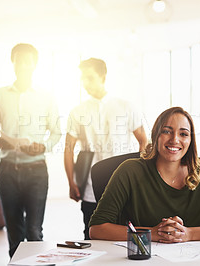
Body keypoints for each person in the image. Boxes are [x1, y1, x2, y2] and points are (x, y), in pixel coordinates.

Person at [89, 107, 200, 242]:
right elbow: (97, 228)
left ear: (190, 141)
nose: (174, 139)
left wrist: (188, 234)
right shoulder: (130, 171)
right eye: (166, 131)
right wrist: (151, 234)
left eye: (183, 134)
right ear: (156, 135)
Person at [0, 43, 61, 257]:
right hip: (7, 169)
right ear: (13, 62)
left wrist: (43, 146)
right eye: (19, 60)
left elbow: (56, 132)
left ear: (35, 64)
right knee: (14, 232)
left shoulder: (47, 96)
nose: (23, 65)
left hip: (36, 170)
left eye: (28, 61)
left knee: (34, 231)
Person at [64, 58, 148, 240]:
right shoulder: (77, 111)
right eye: (83, 79)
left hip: (123, 185)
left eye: (90, 78)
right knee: (91, 236)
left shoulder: (126, 106)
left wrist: (141, 176)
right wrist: (71, 181)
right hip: (89, 187)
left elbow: (144, 142)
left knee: (126, 238)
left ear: (103, 77)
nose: (85, 83)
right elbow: (68, 148)